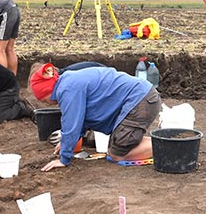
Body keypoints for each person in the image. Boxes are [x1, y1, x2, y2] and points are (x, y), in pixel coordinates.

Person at [32, 64, 161, 171]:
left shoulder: (67, 89)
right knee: (117, 146)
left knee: (117, 154)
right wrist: (67, 142)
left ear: (47, 91)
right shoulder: (68, 82)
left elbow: (71, 123)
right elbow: (80, 119)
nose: (46, 103)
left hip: (141, 101)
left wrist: (63, 159)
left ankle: (170, 147)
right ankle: (161, 142)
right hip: (140, 99)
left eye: (44, 100)